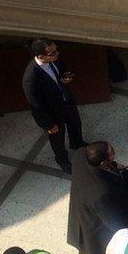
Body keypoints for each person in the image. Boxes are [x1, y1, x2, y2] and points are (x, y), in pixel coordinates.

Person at [67, 142, 128, 254]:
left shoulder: (79, 155)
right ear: (103, 163)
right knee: (99, 251)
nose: (114, 152)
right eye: (112, 153)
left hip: (82, 205)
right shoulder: (101, 193)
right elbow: (114, 222)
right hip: (94, 224)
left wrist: (114, 166)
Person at [22, 38, 84, 173]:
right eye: (52, 53)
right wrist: (47, 124)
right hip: (52, 113)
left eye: (56, 50)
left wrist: (65, 77)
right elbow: (35, 105)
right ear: (40, 56)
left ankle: (77, 143)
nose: (57, 54)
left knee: (75, 124)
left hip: (66, 102)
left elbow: (62, 70)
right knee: (57, 138)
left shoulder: (54, 59)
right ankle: (62, 160)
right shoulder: (31, 78)